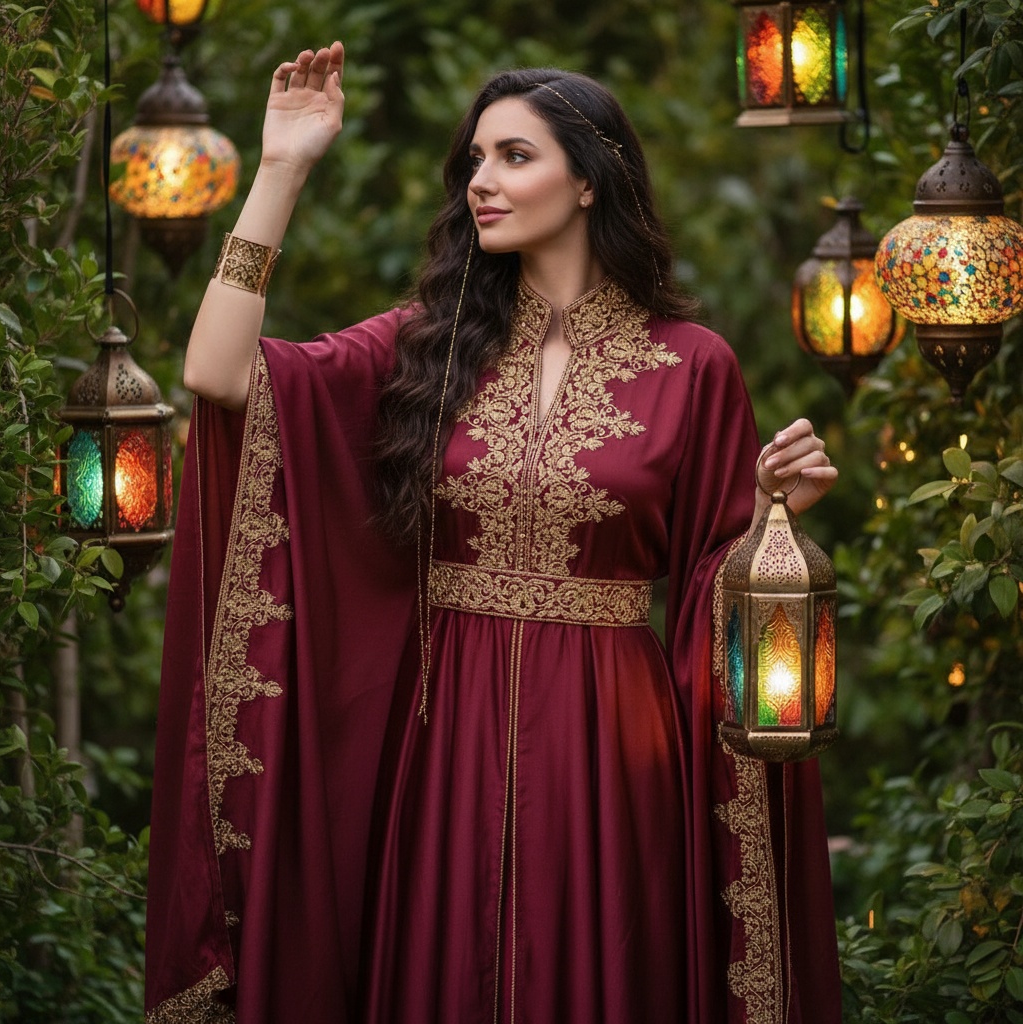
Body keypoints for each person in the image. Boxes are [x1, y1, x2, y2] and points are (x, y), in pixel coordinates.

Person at [145, 42, 843, 1024]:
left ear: (590, 179)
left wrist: (772, 516)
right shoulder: (422, 347)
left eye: (514, 156)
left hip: (612, 752)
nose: (482, 182)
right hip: (444, 739)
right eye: (474, 161)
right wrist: (280, 168)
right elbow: (218, 375)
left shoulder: (691, 367)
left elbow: (708, 598)